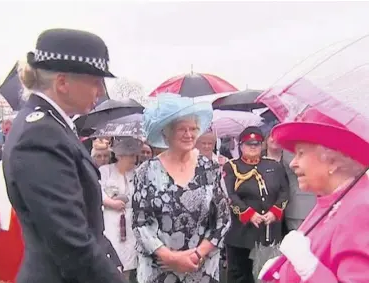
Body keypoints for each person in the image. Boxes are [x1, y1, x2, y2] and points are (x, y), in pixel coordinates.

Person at [2, 28, 126, 283]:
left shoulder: (52, 127)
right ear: (62, 83)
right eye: (95, 81)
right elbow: (69, 239)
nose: (100, 91)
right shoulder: (39, 135)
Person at [259, 112, 369, 282]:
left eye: (301, 153)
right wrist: (284, 271)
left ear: (333, 159)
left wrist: (310, 270)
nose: (292, 163)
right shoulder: (331, 200)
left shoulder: (361, 210)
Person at [132, 93, 231, 283]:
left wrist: (197, 255)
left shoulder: (210, 168)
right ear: (165, 133)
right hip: (160, 269)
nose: (189, 134)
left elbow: (223, 219)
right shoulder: (145, 171)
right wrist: (170, 257)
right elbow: (140, 223)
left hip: (201, 268)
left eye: (193, 128)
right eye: (181, 129)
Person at [222, 126, 289, 283]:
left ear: (262, 145)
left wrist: (275, 211)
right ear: (241, 146)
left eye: (257, 144)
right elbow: (228, 194)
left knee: (268, 275)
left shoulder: (274, 166)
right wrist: (248, 213)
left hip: (270, 231)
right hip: (241, 233)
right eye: (248, 144)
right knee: (240, 276)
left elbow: (284, 192)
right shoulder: (231, 167)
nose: (253, 147)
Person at [100, 137, 143, 281]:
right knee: (112, 261)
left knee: (129, 263)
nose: (133, 159)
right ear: (120, 156)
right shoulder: (105, 170)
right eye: (130, 156)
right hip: (110, 220)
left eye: (135, 156)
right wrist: (110, 202)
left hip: (130, 222)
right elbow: (96, 190)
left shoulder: (137, 173)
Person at [0, 114, 24, 283]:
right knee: (7, 258)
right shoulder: (0, 167)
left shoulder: (32, 163)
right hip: (6, 219)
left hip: (27, 217)